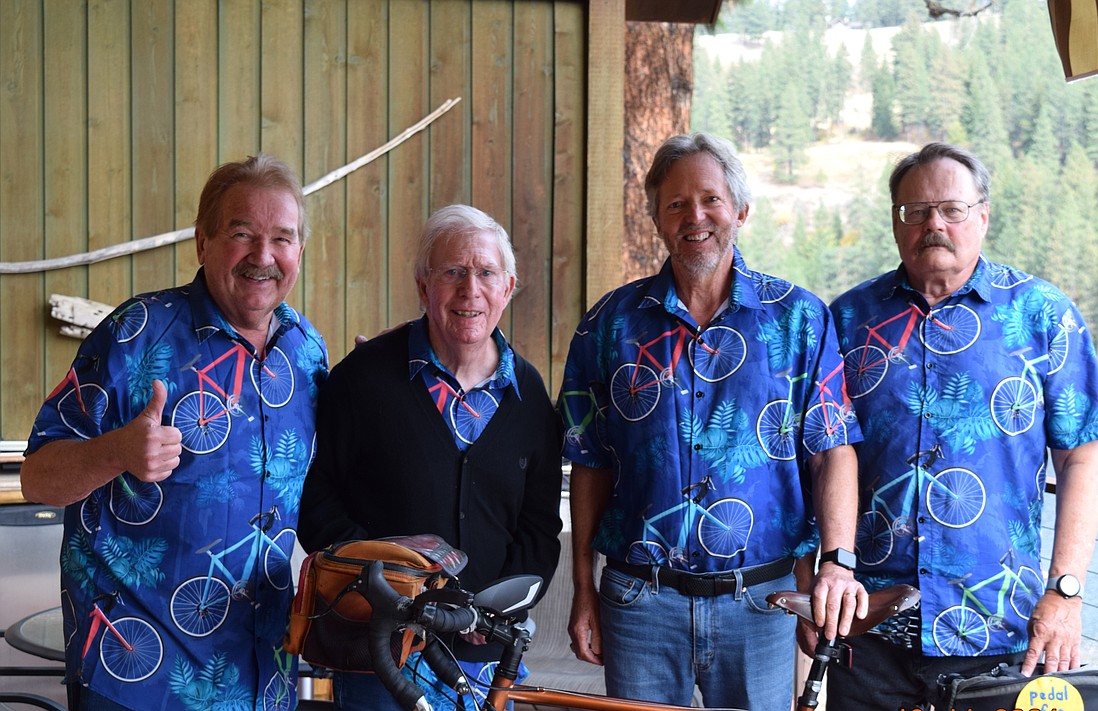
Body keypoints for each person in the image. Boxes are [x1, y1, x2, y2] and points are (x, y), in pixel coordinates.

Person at [558, 132, 866, 710]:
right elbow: (590, 464)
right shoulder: (608, 324)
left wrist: (835, 565)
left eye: (710, 200)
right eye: (675, 204)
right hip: (638, 604)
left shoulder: (799, 319)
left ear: (741, 211)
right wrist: (582, 590)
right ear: (656, 219)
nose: (693, 216)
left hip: (762, 602)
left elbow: (832, 450)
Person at [20, 154, 329, 711]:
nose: (264, 256)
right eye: (242, 233)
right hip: (140, 677)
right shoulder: (136, 333)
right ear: (202, 241)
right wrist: (115, 451)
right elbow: (37, 477)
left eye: (282, 238)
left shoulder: (307, 352)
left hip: (261, 673)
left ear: (299, 253)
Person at [825, 142, 1098, 710]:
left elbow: (1080, 461)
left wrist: (1066, 593)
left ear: (982, 215)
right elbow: (822, 456)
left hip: (999, 627)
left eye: (952, 209)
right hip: (867, 626)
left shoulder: (1041, 315)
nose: (933, 223)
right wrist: (819, 579)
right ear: (896, 223)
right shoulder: (847, 321)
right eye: (916, 211)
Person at [297, 204, 563, 711]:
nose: (470, 290)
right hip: (380, 653)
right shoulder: (362, 379)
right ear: (424, 287)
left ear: (507, 288)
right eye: (452, 273)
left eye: (486, 273)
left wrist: (497, 610)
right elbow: (317, 500)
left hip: (485, 656)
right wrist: (386, 586)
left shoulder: (529, 395)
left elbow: (538, 527)